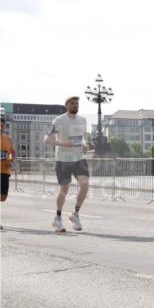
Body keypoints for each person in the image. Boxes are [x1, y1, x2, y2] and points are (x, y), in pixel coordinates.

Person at [44, 96, 89, 233]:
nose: (75, 105)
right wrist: (63, 143)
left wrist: (85, 143)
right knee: (64, 190)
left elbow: (85, 135)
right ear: (67, 105)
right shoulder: (58, 120)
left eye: (77, 103)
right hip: (63, 159)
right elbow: (46, 138)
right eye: (73, 103)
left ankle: (75, 214)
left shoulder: (83, 120)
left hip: (79, 158)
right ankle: (57, 218)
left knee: (85, 184)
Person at [1, 118, 14, 228]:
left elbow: (12, 152)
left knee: (3, 197)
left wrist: (10, 161)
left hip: (5, 170)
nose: (0, 128)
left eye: (2, 126)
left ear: (4, 127)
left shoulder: (8, 139)